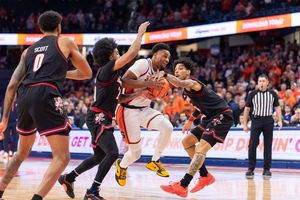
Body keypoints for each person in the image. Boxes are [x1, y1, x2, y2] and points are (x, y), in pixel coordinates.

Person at [0, 10, 92, 200]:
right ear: (59, 27)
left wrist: (4, 119)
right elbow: (87, 73)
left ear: (40, 29)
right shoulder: (65, 42)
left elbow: (11, 85)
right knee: (62, 157)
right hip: (46, 93)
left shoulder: (28, 51)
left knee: (20, 154)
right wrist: (61, 73)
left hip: (24, 95)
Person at [58, 22, 156, 200]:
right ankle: (92, 192)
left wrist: (141, 91)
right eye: (116, 50)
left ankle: (68, 178)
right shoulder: (107, 68)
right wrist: (140, 34)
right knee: (112, 153)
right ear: (109, 54)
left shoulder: (112, 75)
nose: (118, 52)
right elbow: (132, 53)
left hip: (102, 116)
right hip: (98, 116)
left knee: (99, 156)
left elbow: (118, 98)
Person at [158, 57, 233, 198]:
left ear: (188, 71)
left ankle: (183, 185)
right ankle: (205, 175)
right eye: (175, 69)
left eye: (180, 68)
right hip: (209, 117)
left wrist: (166, 75)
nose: (177, 71)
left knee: (200, 149)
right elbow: (200, 107)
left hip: (222, 115)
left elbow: (180, 83)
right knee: (187, 142)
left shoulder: (193, 83)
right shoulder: (186, 92)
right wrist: (190, 120)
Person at [115, 43, 173, 187]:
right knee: (136, 153)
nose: (167, 59)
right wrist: (147, 85)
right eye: (164, 56)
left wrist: (156, 96)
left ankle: (155, 161)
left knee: (168, 127)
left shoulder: (159, 73)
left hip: (145, 109)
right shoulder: (143, 64)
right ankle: (121, 166)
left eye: (168, 58)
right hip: (127, 110)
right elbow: (124, 82)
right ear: (155, 55)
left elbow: (152, 92)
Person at [243, 74, 282, 179]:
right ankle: (250, 169)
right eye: (259, 81)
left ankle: (267, 169)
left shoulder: (273, 94)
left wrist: (280, 120)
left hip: (268, 120)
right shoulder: (252, 94)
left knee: (268, 145)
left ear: (267, 82)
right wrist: (245, 124)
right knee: (252, 145)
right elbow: (246, 109)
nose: (261, 83)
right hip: (256, 120)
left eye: (263, 81)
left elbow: (277, 107)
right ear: (257, 82)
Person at [1, 93, 19, 164]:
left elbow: (21, 111)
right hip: (7, 122)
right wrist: (2, 121)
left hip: (15, 122)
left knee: (15, 137)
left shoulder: (18, 102)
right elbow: (2, 112)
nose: (13, 96)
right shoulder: (6, 102)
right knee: (6, 137)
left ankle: (14, 151)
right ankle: (6, 151)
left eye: (14, 95)